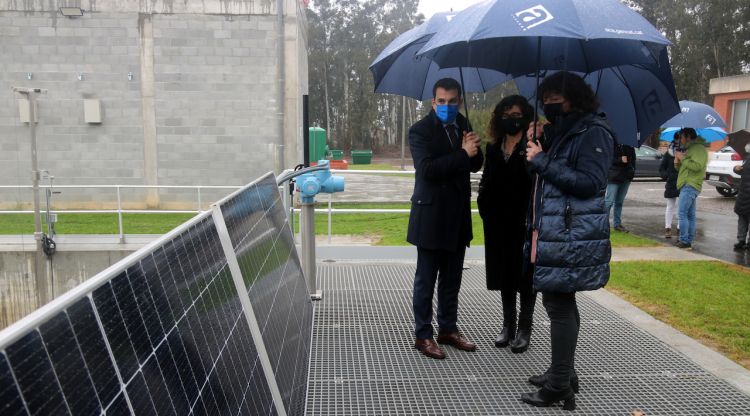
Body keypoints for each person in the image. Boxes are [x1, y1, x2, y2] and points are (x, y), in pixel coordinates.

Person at [521, 72, 614, 411]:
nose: (548, 103)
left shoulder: (593, 132)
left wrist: (543, 159)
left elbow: (589, 182)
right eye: (544, 97)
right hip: (554, 231)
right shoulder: (561, 132)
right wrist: (534, 151)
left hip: (572, 235)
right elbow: (542, 179)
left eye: (555, 97)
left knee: (559, 306)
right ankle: (564, 373)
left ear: (574, 97)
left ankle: (558, 385)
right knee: (559, 302)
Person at [407, 78, 484, 359]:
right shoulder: (420, 131)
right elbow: (427, 170)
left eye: (453, 101)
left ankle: (448, 329)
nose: (447, 106)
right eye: (442, 101)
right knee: (426, 280)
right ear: (433, 102)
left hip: (457, 216)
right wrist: (463, 154)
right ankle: (423, 335)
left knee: (452, 279)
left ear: (459, 101)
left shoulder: (464, 123)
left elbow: (475, 163)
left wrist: (473, 147)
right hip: (430, 216)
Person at [477, 95, 536, 353]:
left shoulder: (534, 145)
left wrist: (534, 151)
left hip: (525, 219)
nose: (512, 120)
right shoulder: (494, 147)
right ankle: (508, 324)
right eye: (507, 115)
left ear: (525, 116)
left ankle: (525, 327)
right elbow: (487, 178)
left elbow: (537, 178)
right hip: (497, 219)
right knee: (504, 272)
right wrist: (483, 205)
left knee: (525, 274)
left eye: (517, 115)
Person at [674, 128, 708, 249]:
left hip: (690, 185)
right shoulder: (689, 149)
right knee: (690, 215)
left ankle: (685, 240)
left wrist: (683, 158)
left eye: (682, 137)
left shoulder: (698, 149)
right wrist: (677, 161)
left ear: (688, 137)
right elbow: (682, 169)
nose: (680, 139)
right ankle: (687, 240)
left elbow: (697, 166)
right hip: (686, 184)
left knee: (682, 213)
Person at [605, 143, 636, 232]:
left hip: (626, 177)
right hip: (614, 177)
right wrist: (619, 159)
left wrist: (632, 173)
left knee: (619, 202)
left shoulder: (629, 146)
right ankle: (604, 223)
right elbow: (608, 159)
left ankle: (617, 224)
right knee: (609, 201)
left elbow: (633, 160)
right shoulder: (611, 144)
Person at [659, 135, 681, 239]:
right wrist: (666, 175)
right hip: (672, 182)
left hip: (682, 182)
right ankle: (667, 228)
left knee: (681, 207)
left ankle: (680, 227)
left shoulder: (686, 152)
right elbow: (662, 168)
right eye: (676, 140)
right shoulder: (669, 154)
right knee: (670, 206)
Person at [733, 144, 750, 250]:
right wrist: (736, 168)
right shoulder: (747, 158)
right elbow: (742, 171)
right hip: (743, 193)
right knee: (742, 217)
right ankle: (741, 240)